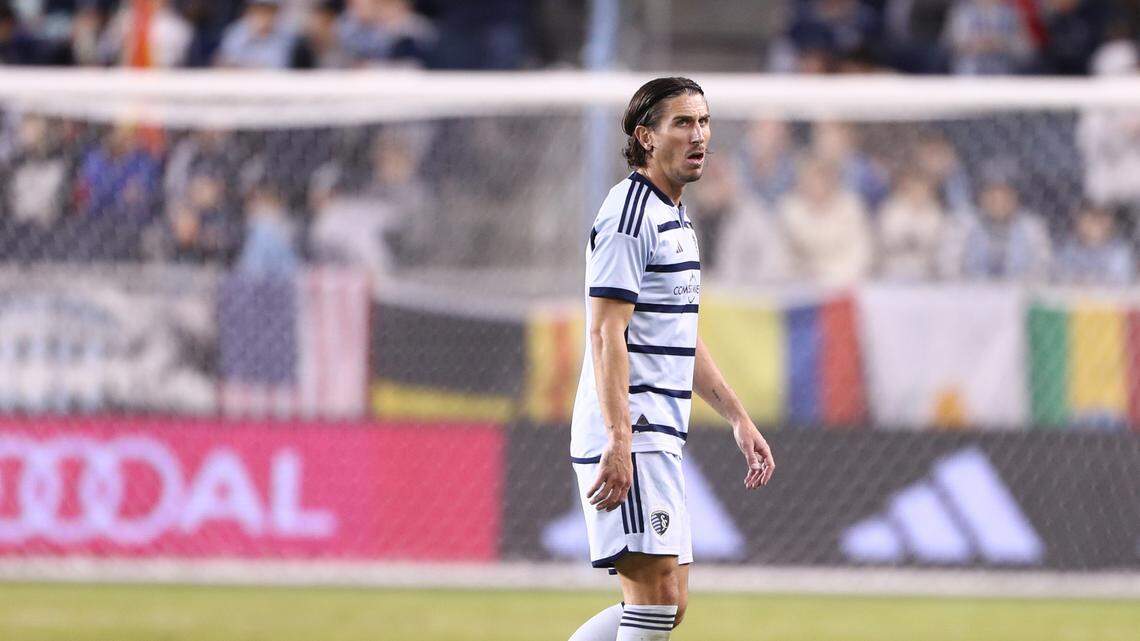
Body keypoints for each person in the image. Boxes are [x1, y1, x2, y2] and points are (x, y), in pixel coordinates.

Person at [567, 77, 775, 641]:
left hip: (658, 432)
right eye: (683, 122)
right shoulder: (629, 215)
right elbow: (605, 332)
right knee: (654, 601)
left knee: (669, 602)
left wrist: (737, 417)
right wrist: (619, 438)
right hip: (631, 430)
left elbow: (680, 332)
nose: (699, 135)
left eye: (704, 121)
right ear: (646, 137)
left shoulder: (675, 217)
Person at [779, 155, 873, 284]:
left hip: (846, 279)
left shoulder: (851, 205)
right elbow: (783, 253)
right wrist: (801, 275)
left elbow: (862, 251)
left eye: (821, 180)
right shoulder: (789, 209)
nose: (816, 185)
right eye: (810, 180)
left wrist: (833, 276)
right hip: (801, 282)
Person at [1053, 202, 1134, 285]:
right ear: (1078, 220)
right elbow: (1059, 277)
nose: (1095, 224)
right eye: (1090, 217)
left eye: (1101, 217)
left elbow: (1121, 283)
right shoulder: (1069, 249)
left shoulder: (1119, 252)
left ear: (1111, 221)